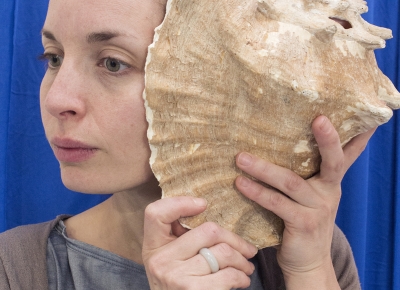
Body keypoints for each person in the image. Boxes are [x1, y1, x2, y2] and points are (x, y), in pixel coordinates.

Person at [0, 0, 375, 289]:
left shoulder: (307, 250)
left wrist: (311, 273)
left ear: (223, 82)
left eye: (113, 63)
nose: (57, 99)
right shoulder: (16, 269)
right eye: (53, 57)